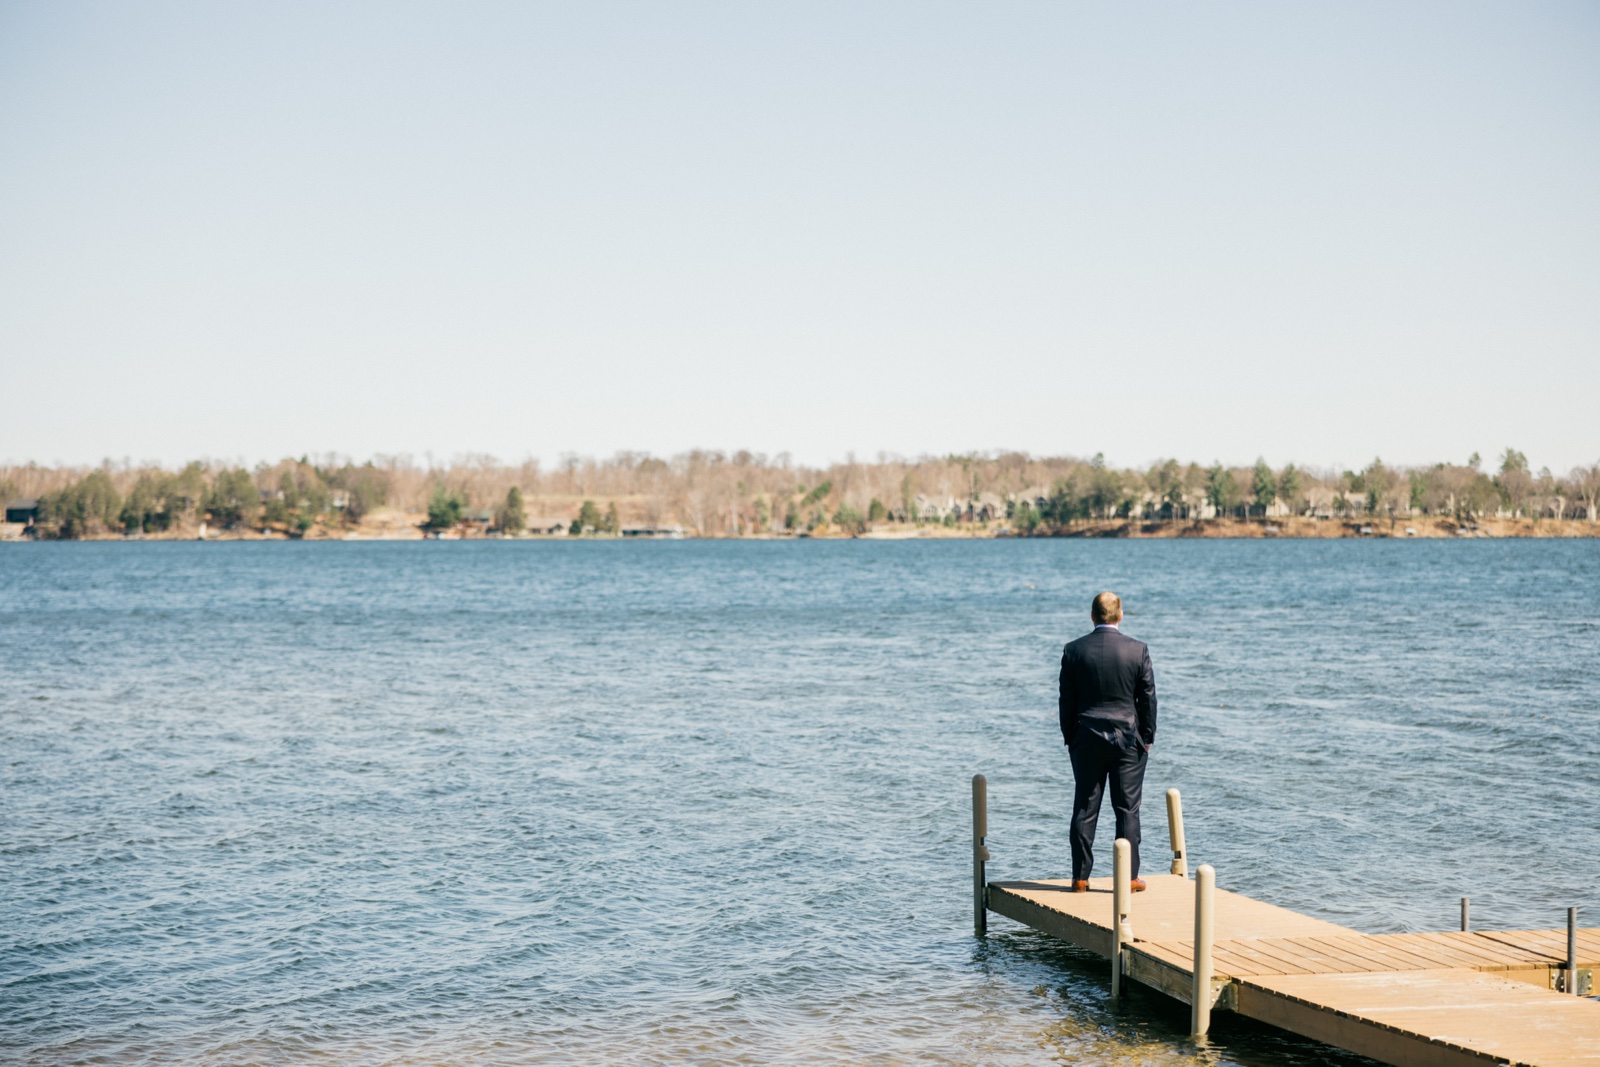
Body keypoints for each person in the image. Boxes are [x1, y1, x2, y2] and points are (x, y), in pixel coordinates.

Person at [1059, 591, 1157, 891]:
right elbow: (1148, 698)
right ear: (1120, 615)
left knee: (1085, 807)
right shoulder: (1137, 650)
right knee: (1127, 809)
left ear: (1092, 616)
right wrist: (1148, 736)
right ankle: (1128, 878)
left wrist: (1069, 736)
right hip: (1128, 739)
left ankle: (1080, 877)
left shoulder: (1074, 650)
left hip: (1085, 737)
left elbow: (1066, 699)